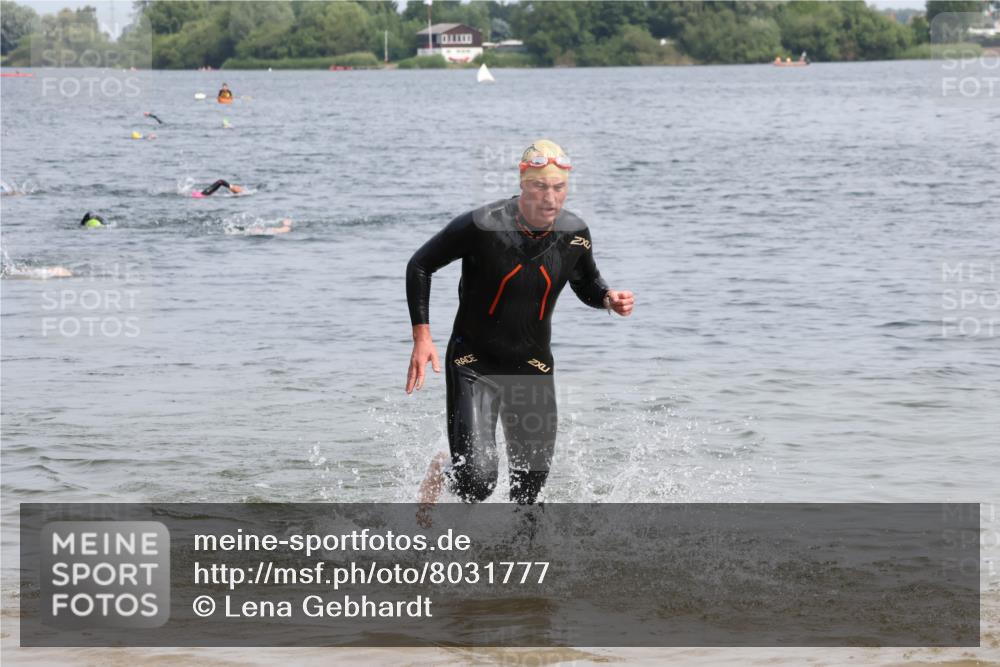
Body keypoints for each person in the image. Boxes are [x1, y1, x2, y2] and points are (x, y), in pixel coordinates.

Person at [407, 139, 634, 518]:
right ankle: (444, 467)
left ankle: (525, 570)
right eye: (540, 187)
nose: (550, 198)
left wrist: (609, 299)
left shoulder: (575, 233)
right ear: (523, 182)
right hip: (473, 364)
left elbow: (587, 283)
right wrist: (422, 337)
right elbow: (420, 265)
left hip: (533, 368)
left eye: (558, 188)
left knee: (529, 493)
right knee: (475, 483)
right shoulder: (482, 225)